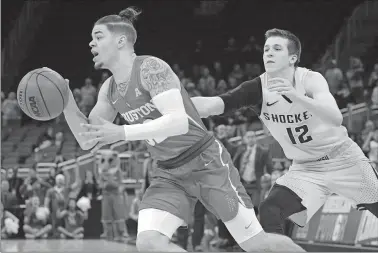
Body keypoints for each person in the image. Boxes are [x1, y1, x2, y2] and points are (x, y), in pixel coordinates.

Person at [61, 7, 303, 252]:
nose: (91, 42)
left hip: (206, 163)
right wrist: (66, 102)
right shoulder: (108, 89)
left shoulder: (150, 68)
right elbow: (88, 140)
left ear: (121, 40)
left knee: (258, 246)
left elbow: (178, 121)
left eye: (98, 36)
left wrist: (121, 132)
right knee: (148, 243)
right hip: (168, 173)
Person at [191, 28, 378, 235]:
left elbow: (336, 117)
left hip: (342, 158)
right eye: (266, 49)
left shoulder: (310, 79)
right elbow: (214, 104)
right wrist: (172, 104)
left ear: (293, 58)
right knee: (270, 210)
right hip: (306, 169)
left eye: (276, 48)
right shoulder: (257, 89)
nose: (268, 53)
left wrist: (297, 97)